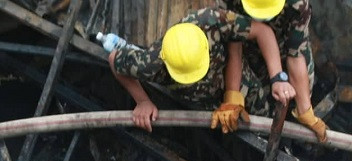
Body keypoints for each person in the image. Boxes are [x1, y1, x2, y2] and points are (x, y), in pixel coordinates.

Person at [109, 8, 296, 134]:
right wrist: (143, 101)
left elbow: (262, 32)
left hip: (240, 84)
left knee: (262, 116)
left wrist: (277, 78)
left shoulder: (210, 21)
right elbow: (114, 58)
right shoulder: (150, 62)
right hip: (199, 105)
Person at [222, 0, 328, 141]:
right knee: (251, 95)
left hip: (285, 43)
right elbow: (235, 50)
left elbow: (294, 56)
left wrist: (305, 110)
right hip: (249, 44)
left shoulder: (298, 5)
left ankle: (296, 124)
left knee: (303, 90)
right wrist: (232, 97)